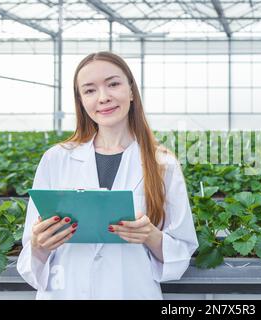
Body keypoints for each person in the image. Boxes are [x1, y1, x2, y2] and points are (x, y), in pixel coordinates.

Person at [17, 51, 199, 299]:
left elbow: (182, 251)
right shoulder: (56, 159)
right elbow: (31, 252)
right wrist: (40, 245)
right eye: (90, 90)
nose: (103, 97)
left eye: (113, 84)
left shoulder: (163, 164)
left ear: (132, 91)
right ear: (80, 100)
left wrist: (151, 236)